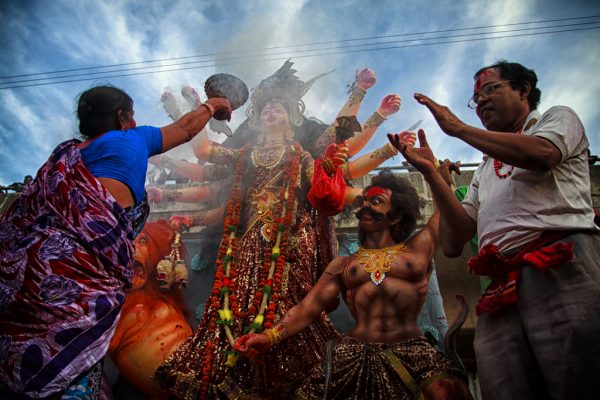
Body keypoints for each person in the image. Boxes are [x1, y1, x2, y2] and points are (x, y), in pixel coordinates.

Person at [153, 63, 410, 400]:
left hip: (291, 244)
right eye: (267, 108)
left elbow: (338, 162)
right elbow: (202, 152)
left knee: (288, 304)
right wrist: (202, 106)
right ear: (258, 119)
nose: (272, 109)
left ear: (292, 119)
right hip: (249, 245)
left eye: (280, 107)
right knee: (236, 303)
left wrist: (368, 106)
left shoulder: (302, 156)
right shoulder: (244, 155)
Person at [0, 84, 231, 399]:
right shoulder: (132, 138)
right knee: (76, 347)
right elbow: (186, 128)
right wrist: (213, 104)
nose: (135, 122)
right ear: (122, 117)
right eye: (132, 115)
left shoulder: (65, 157)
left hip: (34, 273)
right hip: (85, 276)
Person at [396, 60, 600, 399]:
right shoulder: (485, 169)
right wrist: (432, 174)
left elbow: (544, 154)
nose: (482, 102)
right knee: (504, 385)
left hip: (562, 266)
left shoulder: (556, 118)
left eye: (491, 89)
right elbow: (453, 241)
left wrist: (458, 129)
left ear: (523, 90)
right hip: (501, 286)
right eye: (476, 99)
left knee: (579, 377)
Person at [235, 168, 471, 400]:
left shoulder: (417, 251)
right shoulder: (343, 265)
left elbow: (443, 216)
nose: (366, 206)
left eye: (376, 201)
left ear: (397, 215)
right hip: (352, 355)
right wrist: (270, 336)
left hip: (414, 352)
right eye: (364, 201)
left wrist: (440, 179)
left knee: (448, 391)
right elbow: (308, 308)